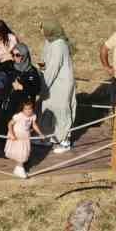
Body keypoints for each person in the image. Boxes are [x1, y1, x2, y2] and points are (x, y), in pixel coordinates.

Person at [38, 21, 76, 152]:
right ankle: (49, 137)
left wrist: (43, 85)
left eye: (43, 28)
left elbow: (53, 68)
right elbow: (46, 61)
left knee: (61, 110)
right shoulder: (49, 41)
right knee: (48, 108)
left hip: (61, 83)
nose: (41, 31)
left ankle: (65, 140)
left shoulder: (59, 45)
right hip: (51, 82)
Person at [4, 98, 44, 179]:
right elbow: (9, 124)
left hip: (25, 136)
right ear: (22, 109)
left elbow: (34, 125)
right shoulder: (19, 116)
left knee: (24, 152)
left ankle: (19, 168)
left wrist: (40, 134)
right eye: (26, 109)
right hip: (17, 136)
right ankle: (19, 168)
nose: (28, 111)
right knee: (20, 153)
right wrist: (11, 134)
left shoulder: (33, 116)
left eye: (30, 108)